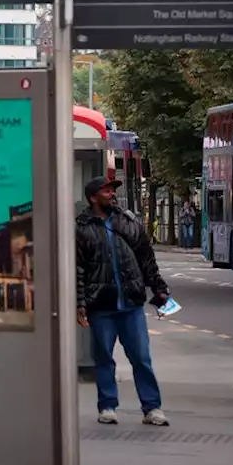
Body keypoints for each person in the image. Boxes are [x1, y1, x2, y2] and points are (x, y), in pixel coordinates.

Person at [77, 176, 171, 427]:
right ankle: (107, 406)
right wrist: (80, 303)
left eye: (112, 190)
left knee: (141, 357)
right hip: (101, 304)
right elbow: (78, 269)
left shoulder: (128, 222)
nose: (112, 194)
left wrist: (159, 289)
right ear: (93, 197)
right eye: (106, 190)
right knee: (104, 357)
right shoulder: (82, 228)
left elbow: (146, 259)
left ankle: (152, 407)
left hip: (131, 303)